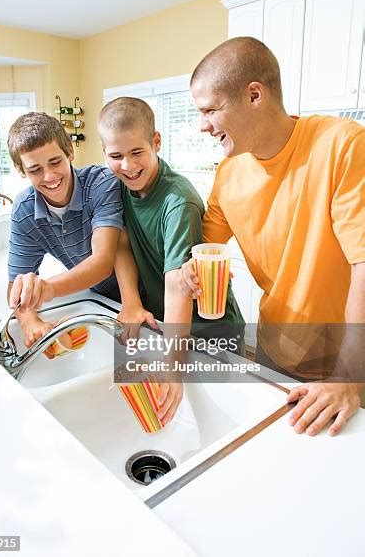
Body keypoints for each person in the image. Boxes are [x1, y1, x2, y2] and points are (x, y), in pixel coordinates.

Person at [179, 36, 365, 437]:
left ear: (254, 95)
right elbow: (202, 252)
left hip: (347, 363)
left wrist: (349, 377)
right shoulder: (228, 174)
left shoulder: (342, 144)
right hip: (274, 350)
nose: (203, 125)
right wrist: (193, 276)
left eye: (211, 109)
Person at [98, 97, 244, 425]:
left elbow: (179, 285)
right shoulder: (118, 186)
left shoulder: (178, 201)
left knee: (220, 423)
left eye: (137, 153)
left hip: (209, 331)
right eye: (116, 156)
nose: (127, 165)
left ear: (156, 142)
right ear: (104, 152)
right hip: (171, 329)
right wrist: (131, 302)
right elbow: (121, 240)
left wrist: (173, 368)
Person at [7, 112, 123, 348]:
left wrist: (47, 288)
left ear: (69, 151)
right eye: (35, 169)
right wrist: (30, 322)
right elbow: (15, 286)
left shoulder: (101, 183)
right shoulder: (24, 211)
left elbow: (103, 263)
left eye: (55, 162)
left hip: (145, 295)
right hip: (99, 299)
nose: (49, 176)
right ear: (20, 170)